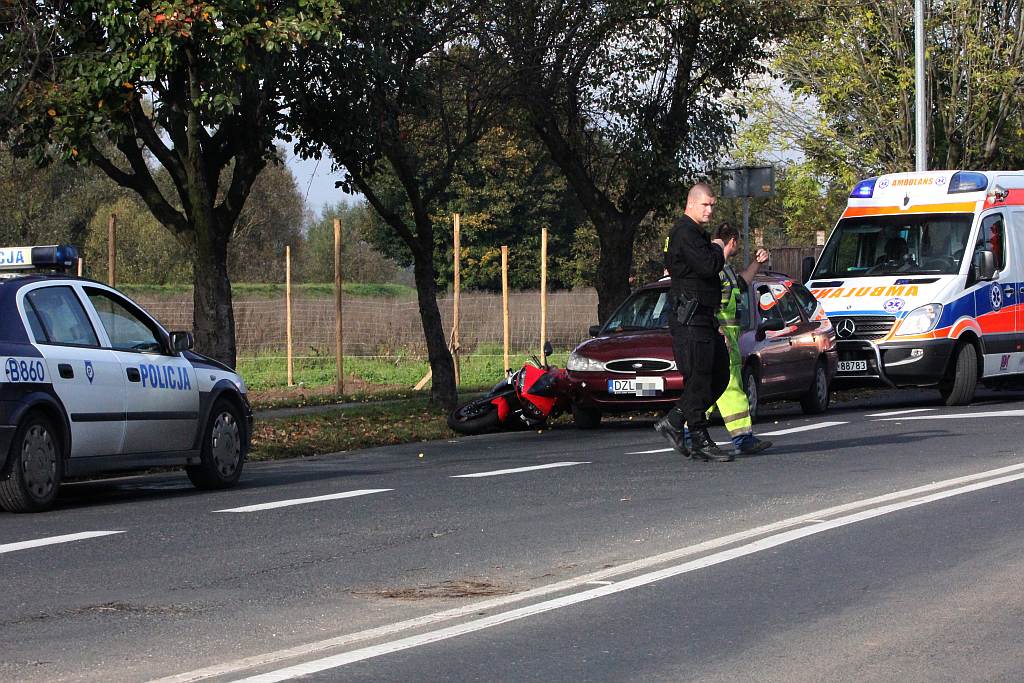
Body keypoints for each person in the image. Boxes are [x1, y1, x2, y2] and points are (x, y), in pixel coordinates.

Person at [653, 182, 732, 462]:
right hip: (689, 317)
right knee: (699, 378)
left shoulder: (696, 232)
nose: (710, 210)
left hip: (703, 316)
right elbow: (708, 266)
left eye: (713, 205)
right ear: (691, 204)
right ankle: (699, 438)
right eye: (705, 205)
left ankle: (675, 421)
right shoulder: (685, 232)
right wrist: (719, 247)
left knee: (719, 374)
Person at [708, 223, 772, 456]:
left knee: (709, 387)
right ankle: (743, 437)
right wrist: (719, 332)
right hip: (722, 338)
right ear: (732, 242)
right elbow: (709, 303)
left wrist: (757, 263)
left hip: (727, 339)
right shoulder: (715, 270)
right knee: (731, 386)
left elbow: (742, 284)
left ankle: (686, 430)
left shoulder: (724, 270)